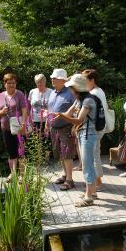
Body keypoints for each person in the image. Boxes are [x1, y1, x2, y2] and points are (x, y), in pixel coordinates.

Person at [51, 74, 98, 207]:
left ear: (77, 87)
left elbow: (78, 120)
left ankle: (88, 198)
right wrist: (54, 114)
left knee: (87, 165)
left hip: (88, 134)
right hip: (83, 134)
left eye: (71, 87)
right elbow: (68, 113)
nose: (70, 89)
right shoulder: (78, 100)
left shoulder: (88, 100)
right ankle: (92, 192)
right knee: (88, 163)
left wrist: (61, 116)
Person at [0, 73, 28, 182]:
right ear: (4, 84)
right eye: (9, 83)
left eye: (13, 83)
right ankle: (13, 174)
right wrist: (2, 111)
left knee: (21, 151)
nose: (11, 85)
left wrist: (23, 124)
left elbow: (24, 110)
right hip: (6, 128)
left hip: (19, 128)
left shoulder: (20, 95)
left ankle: (22, 175)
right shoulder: (0, 96)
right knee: (11, 152)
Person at [47, 69, 76, 190]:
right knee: (59, 153)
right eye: (52, 78)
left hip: (66, 127)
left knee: (67, 154)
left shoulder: (71, 93)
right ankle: (65, 175)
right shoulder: (52, 92)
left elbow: (76, 110)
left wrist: (74, 126)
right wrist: (47, 124)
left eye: (55, 78)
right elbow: (50, 109)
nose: (52, 80)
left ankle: (70, 180)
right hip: (54, 128)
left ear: (63, 80)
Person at [82, 69, 108, 190]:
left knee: (94, 155)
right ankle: (97, 181)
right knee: (95, 153)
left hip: (95, 127)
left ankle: (97, 183)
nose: (83, 83)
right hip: (97, 126)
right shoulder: (96, 91)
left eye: (85, 80)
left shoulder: (96, 93)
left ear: (92, 80)